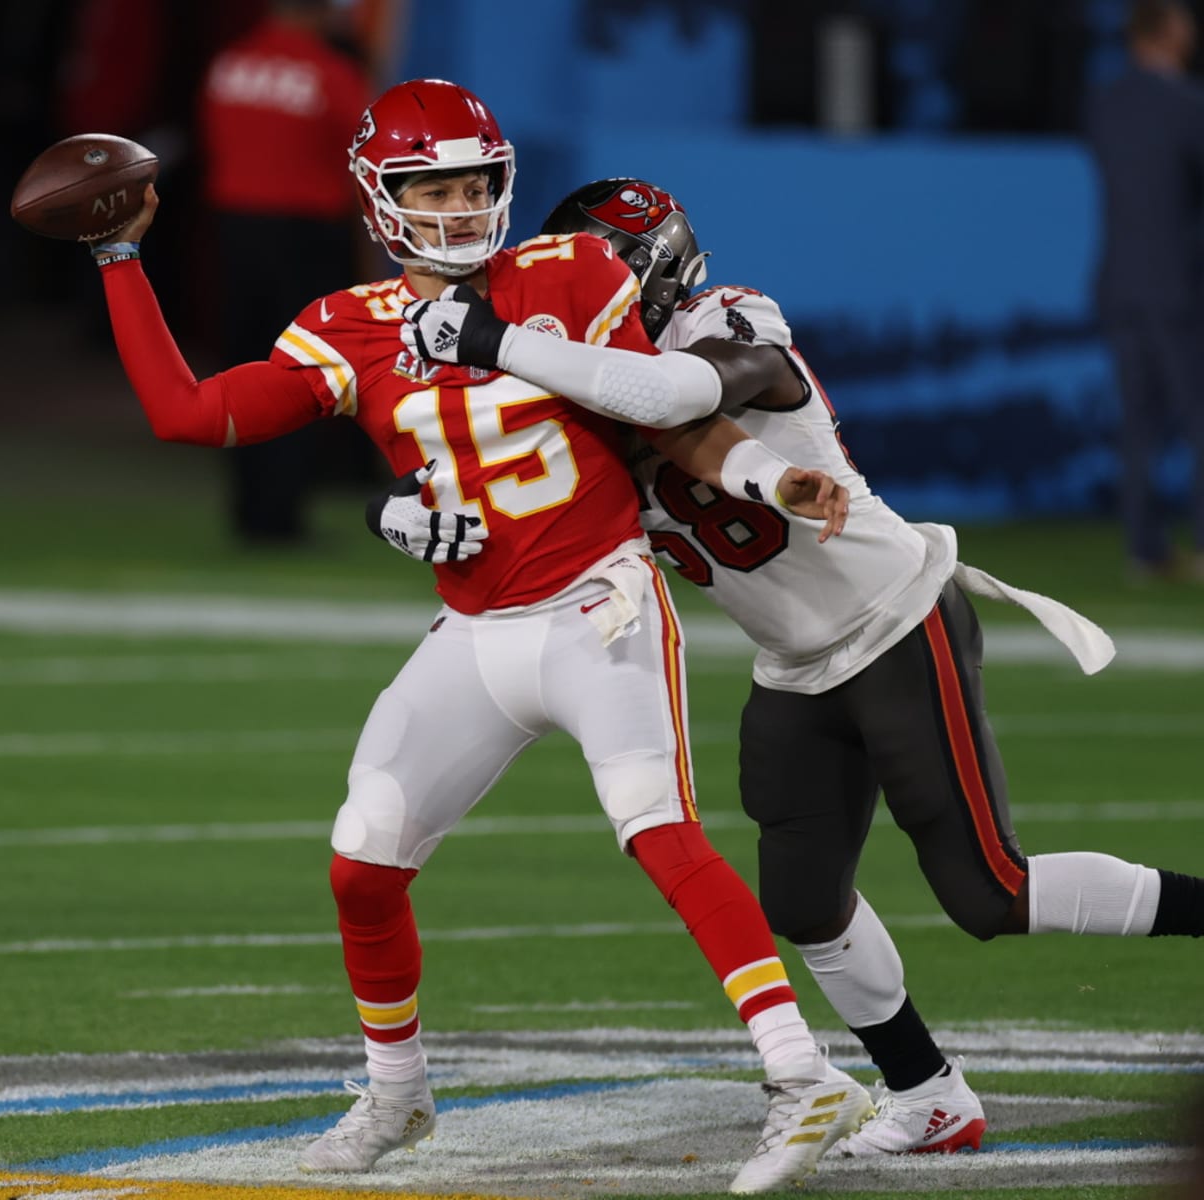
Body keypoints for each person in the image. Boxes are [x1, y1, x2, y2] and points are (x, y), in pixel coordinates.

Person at [80, 77, 868, 1193]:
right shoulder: (343, 329)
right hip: (476, 629)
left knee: (659, 829)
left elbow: (669, 415)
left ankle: (803, 1074)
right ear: (378, 197)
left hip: (596, 600)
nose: (455, 206)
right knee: (363, 859)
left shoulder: (570, 273)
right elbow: (190, 414)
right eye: (430, 186)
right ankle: (397, 1094)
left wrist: (765, 470)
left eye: (474, 182)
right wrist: (120, 263)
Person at [380, 175, 1204, 1155]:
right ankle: (929, 1092)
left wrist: (505, 345)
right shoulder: (580, 398)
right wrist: (401, 512)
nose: (567, 299)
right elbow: (456, 478)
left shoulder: (719, 322)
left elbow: (692, 393)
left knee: (989, 892)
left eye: (588, 276)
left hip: (895, 619)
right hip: (793, 665)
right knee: (803, 900)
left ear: (643, 272)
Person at [197, 0, 373, 545]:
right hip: (304, 235)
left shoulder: (229, 64)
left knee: (241, 368)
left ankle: (247, 507)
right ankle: (281, 514)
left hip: (233, 232)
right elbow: (371, 156)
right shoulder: (330, 72)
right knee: (301, 372)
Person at [1083, 0, 1204, 582]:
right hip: (1178, 284)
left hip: (1121, 282)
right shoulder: (1184, 104)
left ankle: (1145, 549)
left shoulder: (1105, 104)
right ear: (1167, 32)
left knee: (1138, 424)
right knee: (1196, 415)